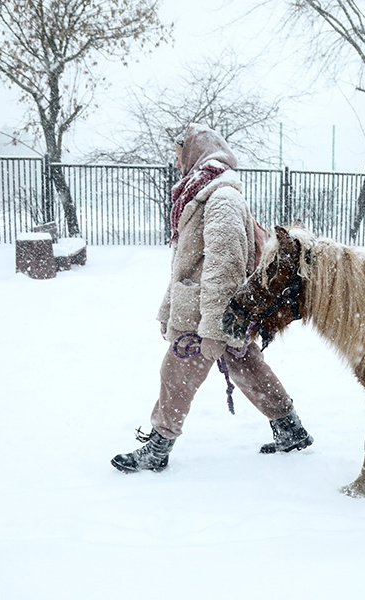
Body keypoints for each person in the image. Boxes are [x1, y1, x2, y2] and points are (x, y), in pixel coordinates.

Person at [112, 123, 313, 473]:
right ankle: (290, 429)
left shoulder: (221, 197)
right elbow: (187, 263)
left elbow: (225, 265)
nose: (177, 162)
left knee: (175, 375)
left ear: (195, 152)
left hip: (208, 313)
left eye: (179, 154)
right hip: (203, 307)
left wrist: (214, 330)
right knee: (248, 367)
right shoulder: (201, 192)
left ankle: (159, 447)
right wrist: (167, 309)